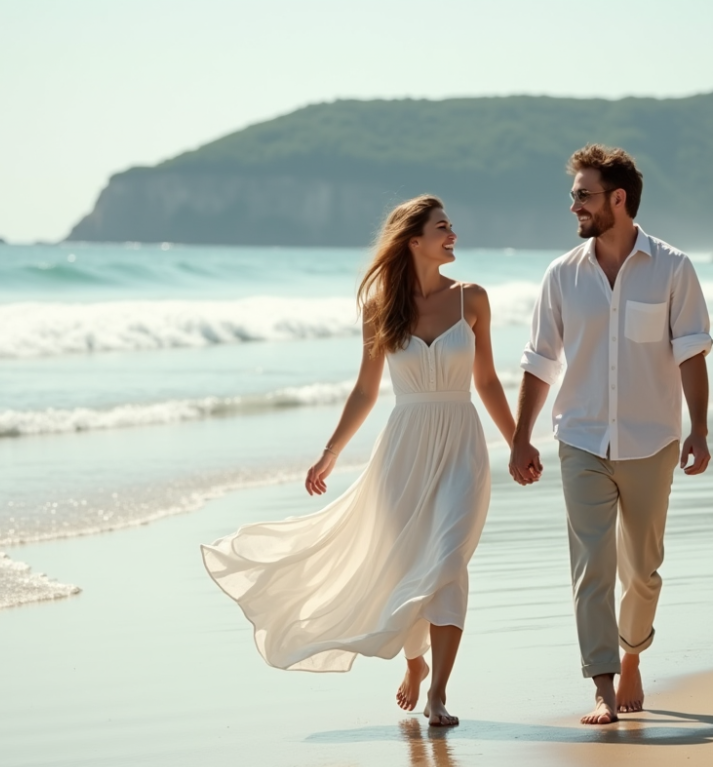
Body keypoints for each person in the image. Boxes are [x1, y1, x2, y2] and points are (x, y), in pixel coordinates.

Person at [202, 195, 515, 728]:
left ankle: (438, 691)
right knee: (406, 565)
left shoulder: (473, 299)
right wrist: (329, 454)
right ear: (414, 241)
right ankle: (414, 664)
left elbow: (485, 381)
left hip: (463, 444)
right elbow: (366, 391)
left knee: (448, 563)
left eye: (451, 226)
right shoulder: (381, 309)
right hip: (404, 450)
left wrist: (520, 442)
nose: (453, 234)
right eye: (443, 228)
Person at [509, 144, 713, 725]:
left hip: (652, 440)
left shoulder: (673, 268)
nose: (573, 204)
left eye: (583, 195)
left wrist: (699, 429)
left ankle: (631, 655)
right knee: (591, 566)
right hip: (581, 439)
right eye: (575, 194)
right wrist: (522, 437)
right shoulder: (561, 276)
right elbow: (539, 360)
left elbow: (691, 352)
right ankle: (601, 685)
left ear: (617, 200)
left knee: (643, 569)